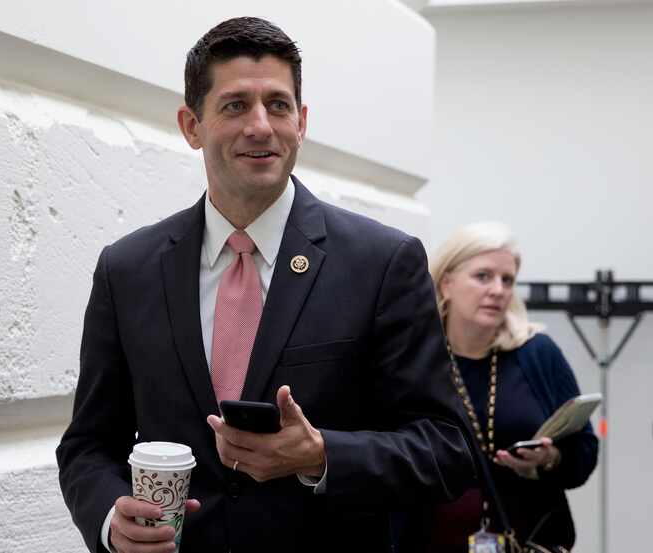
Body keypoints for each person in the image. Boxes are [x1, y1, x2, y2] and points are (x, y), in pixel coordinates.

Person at [56, 17, 475, 553]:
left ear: (301, 123)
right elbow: (89, 445)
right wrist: (110, 520)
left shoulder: (383, 262)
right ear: (191, 126)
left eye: (278, 106)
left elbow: (447, 449)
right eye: (235, 106)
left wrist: (321, 454)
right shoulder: (128, 269)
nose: (261, 126)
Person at [420, 221, 598, 551]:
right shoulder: (419, 357)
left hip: (531, 539)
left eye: (508, 280)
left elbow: (585, 454)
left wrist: (550, 458)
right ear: (446, 283)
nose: (498, 290)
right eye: (483, 276)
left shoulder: (537, 352)